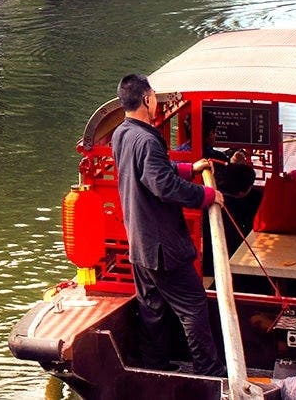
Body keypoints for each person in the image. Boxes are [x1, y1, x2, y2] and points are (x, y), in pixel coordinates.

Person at [110, 74, 225, 377]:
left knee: (152, 308)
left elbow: (153, 171)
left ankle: (155, 370)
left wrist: (189, 168)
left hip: (140, 243)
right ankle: (208, 372)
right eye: (154, 98)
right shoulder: (146, 138)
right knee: (193, 306)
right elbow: (162, 184)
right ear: (146, 99)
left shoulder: (121, 133)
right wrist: (206, 195)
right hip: (163, 247)